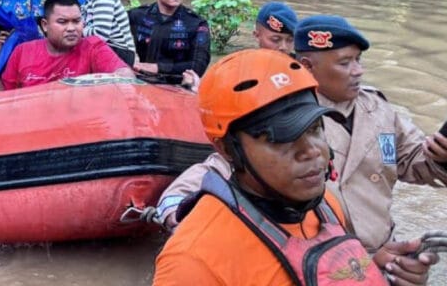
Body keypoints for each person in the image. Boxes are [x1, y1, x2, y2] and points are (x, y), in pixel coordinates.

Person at [153, 16, 447, 249]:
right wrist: (200, 232)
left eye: (359, 60)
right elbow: (195, 186)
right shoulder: (281, 117)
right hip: (317, 263)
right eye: (345, 63)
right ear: (307, 66)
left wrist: (440, 156)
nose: (358, 71)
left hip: (387, 252)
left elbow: (414, 164)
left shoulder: (380, 110)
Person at [0, 0, 135, 92]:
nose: (72, 28)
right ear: (45, 25)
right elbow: (0, 98)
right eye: (62, 22)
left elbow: (125, 75)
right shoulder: (22, 51)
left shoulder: (92, 46)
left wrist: (108, 82)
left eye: (77, 21)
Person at [129, 0, 211, 84]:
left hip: (177, 87)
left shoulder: (196, 23)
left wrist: (156, 68)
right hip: (141, 82)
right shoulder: (137, 16)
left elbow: (198, 65)